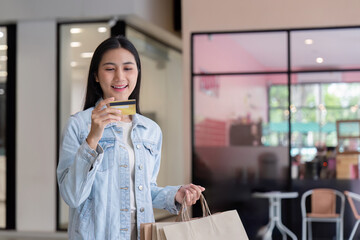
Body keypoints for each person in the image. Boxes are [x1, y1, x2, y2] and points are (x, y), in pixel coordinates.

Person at [57, 35, 205, 240]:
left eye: (128, 68)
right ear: (96, 76)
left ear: (137, 73)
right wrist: (93, 138)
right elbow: (72, 196)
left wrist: (175, 194)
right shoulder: (79, 125)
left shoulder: (150, 130)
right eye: (110, 69)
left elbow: (144, 190)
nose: (120, 77)